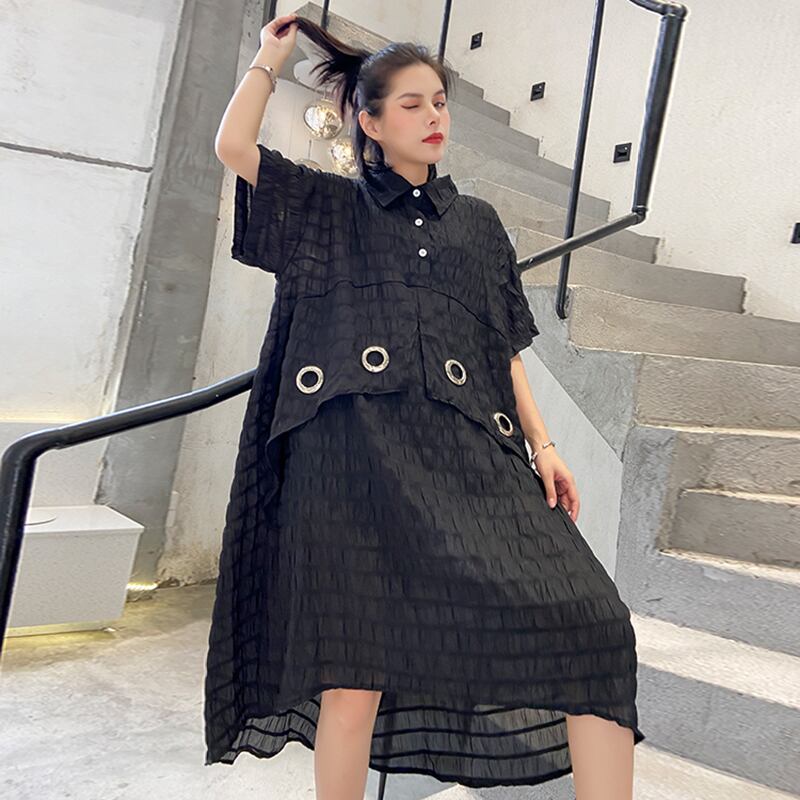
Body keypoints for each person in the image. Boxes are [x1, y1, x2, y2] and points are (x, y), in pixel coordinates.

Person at [205, 12, 645, 799]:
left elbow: (501, 347)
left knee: (596, 628)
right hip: (348, 458)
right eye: (411, 104)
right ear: (369, 123)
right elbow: (234, 148)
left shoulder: (479, 225)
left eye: (439, 101)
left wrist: (543, 445)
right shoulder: (326, 207)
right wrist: (269, 57)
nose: (434, 116)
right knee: (352, 675)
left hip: (465, 455)